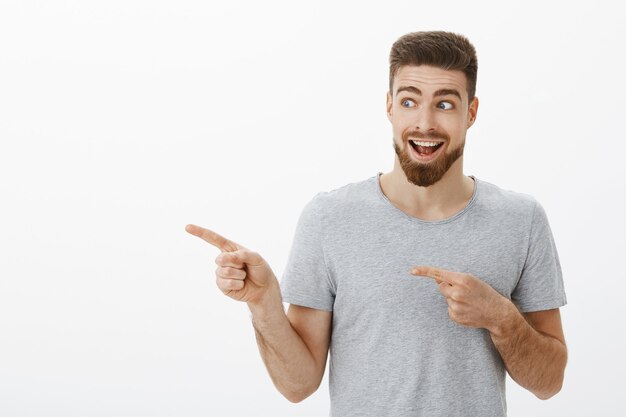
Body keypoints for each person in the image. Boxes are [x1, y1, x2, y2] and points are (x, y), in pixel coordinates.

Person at [186, 30, 567, 416]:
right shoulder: (329, 218)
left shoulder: (521, 220)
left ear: (471, 112)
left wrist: (502, 318)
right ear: (389, 107)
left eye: (445, 104)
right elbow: (298, 385)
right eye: (409, 101)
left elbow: (550, 382)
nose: (425, 123)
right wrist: (263, 303)